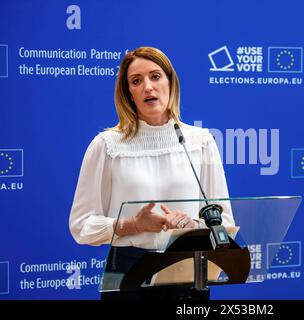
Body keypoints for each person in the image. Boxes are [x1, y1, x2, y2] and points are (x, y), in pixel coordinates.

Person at [69, 46, 234, 250]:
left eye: (155, 76)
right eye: (136, 81)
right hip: (129, 271)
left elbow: (224, 221)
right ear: (129, 93)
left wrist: (193, 226)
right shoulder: (107, 146)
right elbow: (81, 224)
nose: (148, 87)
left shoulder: (200, 142)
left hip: (190, 265)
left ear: (171, 83)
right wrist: (132, 225)